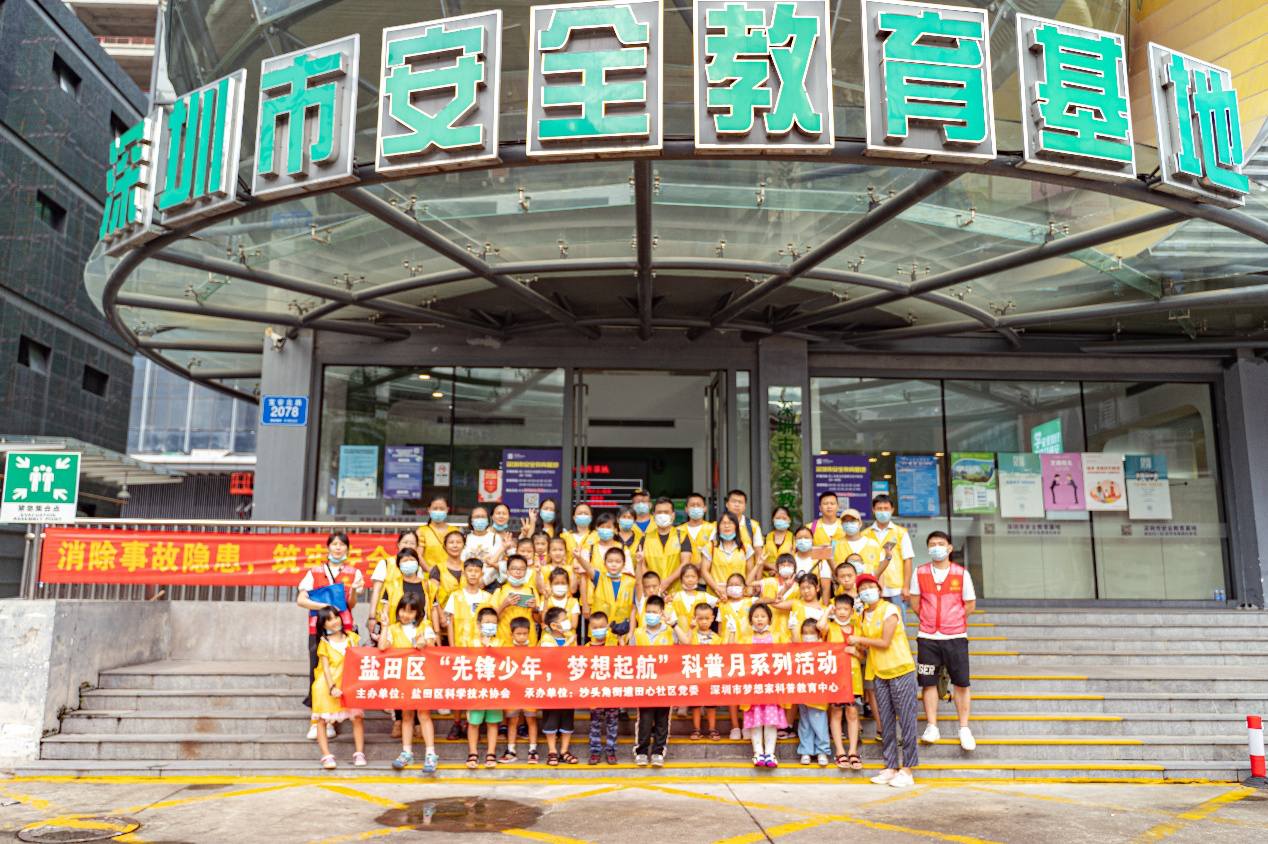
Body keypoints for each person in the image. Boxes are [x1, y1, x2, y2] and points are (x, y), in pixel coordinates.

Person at [850, 574, 919, 788]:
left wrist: (858, 639)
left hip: (900, 670)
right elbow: (865, 648)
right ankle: (891, 767)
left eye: (870, 586)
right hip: (879, 673)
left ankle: (907, 769)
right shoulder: (863, 615)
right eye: (862, 588)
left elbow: (884, 642)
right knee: (886, 722)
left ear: (879, 590)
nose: (867, 591)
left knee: (906, 720)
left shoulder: (889, 609)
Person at [911, 531, 977, 751]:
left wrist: (953, 621)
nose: (936, 547)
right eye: (932, 544)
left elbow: (969, 604)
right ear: (927, 549)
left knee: (961, 682)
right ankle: (932, 726)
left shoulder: (961, 573)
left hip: (955, 637)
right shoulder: (919, 572)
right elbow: (915, 602)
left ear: (949, 548)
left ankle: (964, 728)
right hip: (928, 637)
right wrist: (929, 621)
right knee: (928, 682)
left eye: (941, 543)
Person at [296, 532, 362, 739]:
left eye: (342, 544)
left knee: (340, 673)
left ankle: (332, 720)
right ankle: (316, 720)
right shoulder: (314, 572)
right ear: (327, 548)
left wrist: (354, 591)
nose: (338, 548)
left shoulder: (354, 572)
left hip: (344, 631)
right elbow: (301, 599)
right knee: (317, 672)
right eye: (334, 544)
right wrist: (325, 607)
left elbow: (351, 604)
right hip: (318, 630)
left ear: (347, 549)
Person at [380, 592, 439, 772]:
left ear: (418, 613)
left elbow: (432, 643)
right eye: (403, 610)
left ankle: (430, 754)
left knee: (424, 715)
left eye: (411, 611)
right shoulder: (393, 628)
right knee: (406, 715)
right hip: (403, 680)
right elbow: (382, 646)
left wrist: (424, 641)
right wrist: (384, 626)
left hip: (422, 680)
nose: (405, 615)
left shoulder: (425, 626)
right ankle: (407, 752)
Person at [442, 557, 492, 740]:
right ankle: (457, 722)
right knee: (459, 688)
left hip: (480, 650)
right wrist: (452, 647)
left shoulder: (487, 598)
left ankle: (473, 724)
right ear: (464, 573)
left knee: (477, 686)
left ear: (482, 574)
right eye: (469, 571)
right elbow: (450, 623)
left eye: (476, 571)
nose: (473, 574)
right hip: (461, 650)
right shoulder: (455, 596)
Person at [311, 606, 366, 770]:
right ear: (323, 624)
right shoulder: (324, 643)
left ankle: (359, 753)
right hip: (327, 686)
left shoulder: (352, 638)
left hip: (348, 683)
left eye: (336, 617)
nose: (334, 621)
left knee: (357, 717)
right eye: (329, 619)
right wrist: (332, 687)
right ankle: (326, 755)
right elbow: (325, 668)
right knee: (322, 720)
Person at [737, 603, 788, 767]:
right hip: (753, 687)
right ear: (750, 619)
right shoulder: (746, 640)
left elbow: (791, 650)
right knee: (756, 721)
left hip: (771, 687)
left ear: (769, 619)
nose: (759, 619)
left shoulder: (778, 637)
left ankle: (770, 754)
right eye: (756, 616)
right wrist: (731, 632)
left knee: (771, 721)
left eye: (763, 616)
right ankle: (758, 753)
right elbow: (733, 653)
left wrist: (793, 630)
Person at [817, 593, 863, 770]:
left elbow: (864, 655)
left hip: (854, 679)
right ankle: (840, 751)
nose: (842, 612)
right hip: (835, 678)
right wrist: (828, 609)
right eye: (839, 609)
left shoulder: (857, 630)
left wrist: (855, 652)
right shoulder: (831, 627)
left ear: (852, 611)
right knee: (836, 713)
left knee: (852, 713)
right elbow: (820, 625)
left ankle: (852, 751)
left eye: (846, 609)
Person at [632, 595, 676, 767]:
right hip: (644, 683)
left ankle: (658, 751)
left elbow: (686, 642)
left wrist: (673, 624)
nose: (651, 615)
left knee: (662, 718)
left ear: (661, 613)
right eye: (648, 611)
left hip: (665, 682)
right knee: (645, 718)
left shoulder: (669, 631)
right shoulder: (638, 632)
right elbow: (630, 656)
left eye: (654, 612)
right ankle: (641, 751)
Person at [539, 607, 580, 765]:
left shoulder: (570, 637)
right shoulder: (546, 639)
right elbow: (551, 659)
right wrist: (567, 645)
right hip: (551, 686)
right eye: (564, 619)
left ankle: (564, 750)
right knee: (551, 717)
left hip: (568, 685)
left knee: (567, 717)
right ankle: (552, 751)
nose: (568, 621)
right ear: (554, 625)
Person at [466, 607, 504, 769]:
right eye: (487, 622)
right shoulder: (470, 643)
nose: (491, 625)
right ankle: (473, 753)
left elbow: (504, 664)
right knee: (473, 723)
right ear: (478, 624)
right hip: (476, 690)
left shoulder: (501, 643)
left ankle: (491, 752)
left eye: (494, 622)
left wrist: (490, 648)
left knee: (492, 723)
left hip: (494, 690)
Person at [679, 601, 723, 741]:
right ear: (695, 618)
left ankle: (712, 728)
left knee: (711, 704)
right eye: (700, 618)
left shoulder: (716, 638)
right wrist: (690, 629)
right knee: (695, 703)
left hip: (711, 675)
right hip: (695, 674)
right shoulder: (691, 635)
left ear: (712, 619)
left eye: (707, 618)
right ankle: (696, 728)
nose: (704, 622)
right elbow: (686, 645)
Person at [367, 532, 420, 643]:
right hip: (387, 618)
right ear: (398, 544)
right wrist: (372, 617)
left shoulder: (417, 567)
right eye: (405, 542)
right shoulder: (386, 563)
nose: (408, 545)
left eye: (412, 543)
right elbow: (376, 591)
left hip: (411, 620)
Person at [865, 495, 914, 613]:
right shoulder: (865, 534)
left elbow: (907, 560)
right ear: (873, 510)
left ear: (892, 510)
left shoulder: (901, 533)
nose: (883, 512)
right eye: (879, 508)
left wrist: (906, 587)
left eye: (886, 508)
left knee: (898, 620)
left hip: (895, 588)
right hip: (872, 587)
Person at [501, 617, 540, 764]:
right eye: (518, 634)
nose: (522, 637)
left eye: (525, 634)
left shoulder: (534, 651)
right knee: (512, 720)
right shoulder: (507, 650)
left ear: (529, 633)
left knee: (531, 719)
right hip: (513, 691)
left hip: (529, 690)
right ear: (511, 634)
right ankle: (511, 750)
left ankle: (533, 750)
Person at [579, 545, 636, 644]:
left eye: (618, 562)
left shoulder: (631, 582)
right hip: (600, 632)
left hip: (622, 632)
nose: (614, 565)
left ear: (624, 564)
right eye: (610, 561)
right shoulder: (599, 577)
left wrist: (631, 631)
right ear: (604, 563)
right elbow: (587, 567)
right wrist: (578, 557)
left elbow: (633, 609)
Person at [585, 611, 620, 765]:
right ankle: (595, 751)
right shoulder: (587, 647)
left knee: (612, 723)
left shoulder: (614, 643)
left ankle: (611, 751)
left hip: (612, 692)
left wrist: (620, 639)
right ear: (590, 629)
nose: (598, 629)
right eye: (595, 627)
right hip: (595, 693)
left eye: (601, 626)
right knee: (595, 723)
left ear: (607, 627)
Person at [637, 497, 691, 592]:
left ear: (673, 515)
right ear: (654, 515)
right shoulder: (645, 538)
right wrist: (654, 584)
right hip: (652, 592)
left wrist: (667, 582)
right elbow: (641, 564)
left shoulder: (682, 536)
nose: (662, 515)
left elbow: (685, 562)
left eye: (666, 512)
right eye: (659, 512)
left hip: (677, 591)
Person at [797, 618, 831, 767]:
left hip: (818, 692)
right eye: (805, 633)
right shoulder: (799, 649)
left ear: (818, 634)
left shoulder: (823, 648)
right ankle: (806, 750)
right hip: (803, 691)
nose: (808, 636)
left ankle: (822, 750)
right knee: (804, 722)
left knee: (819, 722)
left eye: (811, 633)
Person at [701, 511, 754, 597]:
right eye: (723, 523)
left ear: (736, 526)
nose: (727, 526)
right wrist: (718, 589)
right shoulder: (710, 547)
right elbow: (704, 571)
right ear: (718, 527)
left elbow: (749, 572)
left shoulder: (746, 547)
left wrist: (749, 589)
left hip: (740, 595)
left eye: (730, 523)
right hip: (716, 595)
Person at [491, 555, 540, 645]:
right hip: (504, 638)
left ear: (526, 572)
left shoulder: (531, 591)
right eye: (514, 569)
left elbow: (539, 620)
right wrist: (504, 605)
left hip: (528, 639)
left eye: (522, 569)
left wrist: (534, 609)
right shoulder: (500, 591)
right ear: (507, 572)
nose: (518, 572)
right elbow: (491, 620)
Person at [429, 530, 471, 626]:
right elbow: (433, 595)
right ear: (445, 546)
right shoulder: (438, 569)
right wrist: (441, 615)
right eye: (451, 542)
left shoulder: (469, 568)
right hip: (444, 618)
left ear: (464, 545)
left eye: (458, 542)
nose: (455, 546)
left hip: (466, 618)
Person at [419, 495, 461, 571]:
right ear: (429, 510)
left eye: (442, 508)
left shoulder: (455, 531)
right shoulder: (422, 531)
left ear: (447, 510)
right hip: (429, 575)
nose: (438, 511)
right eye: (435, 508)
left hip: (452, 574)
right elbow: (419, 555)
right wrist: (430, 571)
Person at [839, 508, 884, 576]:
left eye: (852, 521)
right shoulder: (835, 545)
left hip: (869, 582)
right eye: (845, 521)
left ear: (860, 523)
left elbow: (881, 573)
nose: (849, 524)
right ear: (841, 524)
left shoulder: (874, 544)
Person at [539, 565, 581, 633]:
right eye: (556, 583)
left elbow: (574, 624)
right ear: (551, 584)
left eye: (563, 583)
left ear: (568, 584)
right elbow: (544, 620)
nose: (560, 585)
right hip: (549, 638)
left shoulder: (573, 602)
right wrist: (546, 599)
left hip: (568, 638)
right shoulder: (545, 600)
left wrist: (554, 626)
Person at [677, 492, 713, 568]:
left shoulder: (712, 529)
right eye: (692, 505)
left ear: (705, 508)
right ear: (686, 509)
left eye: (699, 505)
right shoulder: (678, 530)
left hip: (707, 571)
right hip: (685, 572)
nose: (695, 508)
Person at [762, 506, 795, 575]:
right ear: (772, 520)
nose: (781, 520)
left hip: (786, 577)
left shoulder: (794, 539)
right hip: (767, 578)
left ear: (790, 520)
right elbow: (758, 559)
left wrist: (778, 569)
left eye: (784, 518)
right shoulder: (764, 538)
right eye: (778, 518)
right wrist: (774, 567)